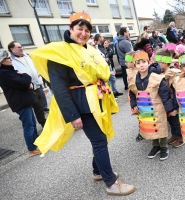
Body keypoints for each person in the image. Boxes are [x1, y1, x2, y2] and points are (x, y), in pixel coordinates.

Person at [30, 12, 135, 196]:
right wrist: (72, 115)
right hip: (82, 105)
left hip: (97, 102)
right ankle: (111, 183)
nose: (84, 33)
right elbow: (59, 88)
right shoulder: (59, 53)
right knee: (100, 141)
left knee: (100, 139)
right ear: (70, 29)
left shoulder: (87, 49)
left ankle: (98, 172)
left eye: (87, 30)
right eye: (80, 28)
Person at [128, 51, 176, 161]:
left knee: (160, 127)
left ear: (149, 62)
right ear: (135, 65)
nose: (141, 65)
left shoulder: (156, 78)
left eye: (144, 62)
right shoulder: (134, 79)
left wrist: (170, 109)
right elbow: (132, 92)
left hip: (157, 108)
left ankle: (164, 147)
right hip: (144, 109)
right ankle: (155, 146)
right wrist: (134, 104)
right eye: (138, 62)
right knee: (150, 128)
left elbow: (165, 94)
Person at [0, 49, 40, 156]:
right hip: (21, 102)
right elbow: (22, 82)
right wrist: (25, 75)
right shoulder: (4, 73)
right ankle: (32, 148)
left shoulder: (9, 71)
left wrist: (26, 80)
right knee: (28, 125)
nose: (11, 59)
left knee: (31, 123)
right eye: (8, 58)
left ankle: (36, 144)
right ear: (2, 61)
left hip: (24, 101)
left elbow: (23, 82)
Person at [8, 41, 46, 128]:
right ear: (12, 49)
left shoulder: (27, 56)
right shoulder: (11, 60)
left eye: (21, 47)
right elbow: (14, 75)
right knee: (30, 109)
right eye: (19, 47)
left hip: (36, 85)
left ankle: (43, 123)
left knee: (39, 106)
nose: (21, 48)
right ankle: (34, 128)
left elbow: (33, 67)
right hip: (27, 87)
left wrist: (38, 74)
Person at [155, 48, 183, 148]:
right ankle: (174, 135)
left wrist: (175, 108)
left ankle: (181, 137)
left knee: (176, 121)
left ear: (166, 63)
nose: (157, 64)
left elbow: (177, 92)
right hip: (168, 103)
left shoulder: (173, 74)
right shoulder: (162, 74)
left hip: (174, 103)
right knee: (171, 121)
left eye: (159, 62)